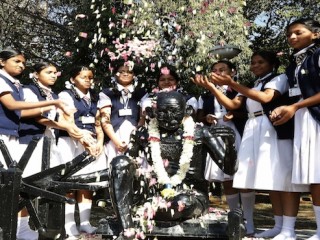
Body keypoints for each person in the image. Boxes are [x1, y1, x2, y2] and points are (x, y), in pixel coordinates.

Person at [192, 50, 308, 237]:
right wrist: (213, 87)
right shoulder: (256, 83)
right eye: (253, 63)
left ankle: (288, 229)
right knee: (273, 180)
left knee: (283, 179)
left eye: (260, 62)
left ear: (272, 64)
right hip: (255, 128)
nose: (255, 66)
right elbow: (234, 105)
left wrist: (231, 84)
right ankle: (278, 226)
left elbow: (266, 98)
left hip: (272, 128)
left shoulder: (278, 79)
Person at [108, 91, 237, 239]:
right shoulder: (142, 134)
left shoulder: (201, 133)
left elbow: (230, 169)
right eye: (163, 112)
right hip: (153, 195)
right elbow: (125, 170)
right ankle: (127, 230)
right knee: (120, 161)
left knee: (182, 202)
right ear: (152, 112)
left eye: (175, 112)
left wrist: (230, 144)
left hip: (191, 197)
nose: (169, 118)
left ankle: (154, 210)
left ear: (186, 111)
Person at [0, 48, 70, 240]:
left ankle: (20, 227)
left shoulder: (16, 84)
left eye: (23, 62)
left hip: (10, 136)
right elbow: (13, 106)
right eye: (16, 61)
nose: (21, 65)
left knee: (15, 184)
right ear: (1, 61)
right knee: (6, 184)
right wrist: (51, 103)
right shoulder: (2, 81)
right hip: (2, 135)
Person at [270, 18, 320, 240]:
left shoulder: (317, 56)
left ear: (316, 34)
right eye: (289, 34)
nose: (292, 37)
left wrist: (295, 106)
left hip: (315, 118)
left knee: (318, 175)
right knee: (310, 176)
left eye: (298, 33)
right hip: (301, 121)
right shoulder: (293, 65)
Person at [57, 65, 107, 239]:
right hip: (71, 142)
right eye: (83, 77)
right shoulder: (65, 95)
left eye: (90, 77)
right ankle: (69, 225)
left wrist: (99, 142)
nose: (88, 80)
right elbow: (68, 122)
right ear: (72, 79)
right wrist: (84, 140)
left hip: (92, 142)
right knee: (69, 183)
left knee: (87, 182)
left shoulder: (95, 96)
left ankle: (85, 223)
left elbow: (99, 122)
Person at [196, 60, 245, 212]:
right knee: (227, 176)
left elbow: (246, 112)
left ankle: (248, 218)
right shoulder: (205, 96)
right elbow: (199, 118)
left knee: (243, 175)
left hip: (238, 132)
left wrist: (233, 115)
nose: (218, 73)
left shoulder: (239, 91)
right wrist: (207, 119)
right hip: (217, 134)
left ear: (232, 72)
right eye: (214, 70)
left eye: (222, 69)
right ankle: (234, 213)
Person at [98, 64, 146, 164]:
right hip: (113, 136)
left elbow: (143, 117)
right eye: (121, 71)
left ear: (134, 75)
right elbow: (104, 119)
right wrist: (116, 142)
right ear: (115, 74)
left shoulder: (141, 93)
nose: (125, 74)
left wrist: (135, 138)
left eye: (129, 72)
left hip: (134, 135)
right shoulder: (106, 93)